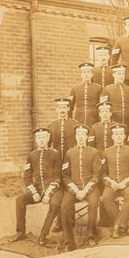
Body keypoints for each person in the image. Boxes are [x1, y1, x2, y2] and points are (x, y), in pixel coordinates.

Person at [9, 128, 63, 245]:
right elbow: (27, 177)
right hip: (38, 190)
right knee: (20, 200)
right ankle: (20, 231)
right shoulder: (32, 156)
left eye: (44, 137)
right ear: (35, 140)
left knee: (55, 204)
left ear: (48, 139)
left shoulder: (55, 154)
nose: (41, 140)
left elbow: (58, 176)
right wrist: (34, 192)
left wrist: (48, 194)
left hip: (55, 189)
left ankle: (44, 234)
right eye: (39, 138)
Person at [60, 124, 101, 251]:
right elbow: (65, 175)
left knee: (94, 203)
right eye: (78, 135)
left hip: (91, 188)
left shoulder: (94, 152)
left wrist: (86, 190)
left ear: (87, 137)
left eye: (83, 135)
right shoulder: (69, 153)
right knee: (64, 206)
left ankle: (91, 236)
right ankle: (68, 241)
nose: (81, 137)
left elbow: (97, 174)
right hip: (74, 189)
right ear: (75, 137)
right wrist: (75, 190)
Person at [101, 124, 129, 239]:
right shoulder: (106, 152)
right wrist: (111, 183)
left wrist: (125, 183)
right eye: (116, 134)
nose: (118, 136)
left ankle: (117, 226)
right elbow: (102, 173)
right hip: (112, 184)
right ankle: (123, 226)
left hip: (126, 184)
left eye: (121, 134)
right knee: (106, 197)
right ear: (112, 137)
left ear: (124, 136)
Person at [47, 98, 77, 233]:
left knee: (71, 188)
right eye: (60, 108)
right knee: (58, 190)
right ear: (56, 110)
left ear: (69, 109)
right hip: (57, 163)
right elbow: (48, 147)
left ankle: (71, 219)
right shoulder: (51, 125)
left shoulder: (75, 124)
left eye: (65, 107)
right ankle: (59, 221)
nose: (62, 110)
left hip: (71, 161)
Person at [100, 64, 129, 130]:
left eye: (122, 74)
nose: (121, 76)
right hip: (113, 125)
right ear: (114, 75)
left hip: (127, 124)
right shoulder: (107, 89)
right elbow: (103, 109)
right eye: (119, 74)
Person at [68, 62, 101, 127]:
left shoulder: (98, 88)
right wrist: (71, 122)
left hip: (94, 120)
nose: (86, 74)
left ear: (92, 74)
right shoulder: (75, 88)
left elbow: (101, 107)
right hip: (79, 120)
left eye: (88, 72)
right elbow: (69, 107)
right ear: (81, 75)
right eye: (84, 72)